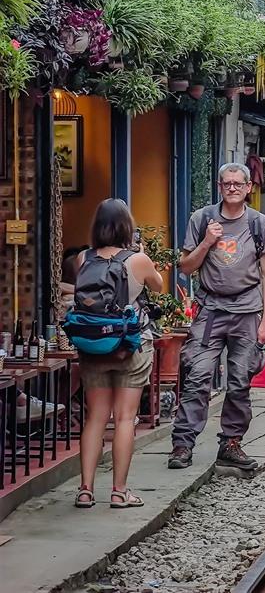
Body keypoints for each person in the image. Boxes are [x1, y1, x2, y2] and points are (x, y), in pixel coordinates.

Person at [168, 163, 265, 472]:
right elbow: (186, 268)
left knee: (240, 380)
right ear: (219, 186)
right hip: (210, 310)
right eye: (226, 183)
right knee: (197, 376)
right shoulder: (201, 219)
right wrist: (206, 242)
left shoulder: (259, 223)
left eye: (237, 184)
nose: (231, 188)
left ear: (247, 188)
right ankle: (183, 444)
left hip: (247, 312)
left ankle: (231, 443)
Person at [74, 200, 163, 509]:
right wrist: (140, 251)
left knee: (95, 417)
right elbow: (160, 287)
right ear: (127, 226)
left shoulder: (83, 258)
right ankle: (119, 491)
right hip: (130, 346)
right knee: (125, 418)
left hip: (93, 346)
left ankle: (85, 490)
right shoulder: (138, 259)